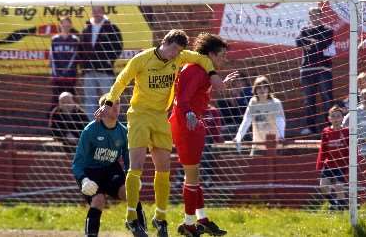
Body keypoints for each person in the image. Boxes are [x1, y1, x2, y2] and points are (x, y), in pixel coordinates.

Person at [94, 29, 237, 237]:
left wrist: (214, 76)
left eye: (179, 51)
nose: (174, 54)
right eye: (173, 49)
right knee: (137, 167)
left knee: (164, 169)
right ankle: (132, 218)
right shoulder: (142, 59)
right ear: (164, 42)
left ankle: (160, 218)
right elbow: (121, 80)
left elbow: (202, 59)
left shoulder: (180, 57)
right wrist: (108, 103)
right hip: (140, 115)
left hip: (161, 116)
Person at [169, 32, 231, 237]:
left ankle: (202, 220)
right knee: (192, 178)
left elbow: (193, 97)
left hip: (190, 124)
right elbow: (182, 98)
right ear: (211, 54)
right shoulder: (196, 70)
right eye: (221, 55)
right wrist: (188, 115)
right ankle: (188, 224)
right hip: (187, 126)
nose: (224, 59)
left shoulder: (201, 69)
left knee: (193, 177)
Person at [72, 93, 146, 237]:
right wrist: (83, 180)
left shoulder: (124, 132)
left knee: (130, 193)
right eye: (112, 104)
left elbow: (128, 160)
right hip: (90, 171)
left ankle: (141, 229)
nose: (117, 107)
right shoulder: (90, 131)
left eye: (118, 103)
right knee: (98, 200)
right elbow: (77, 163)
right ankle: (91, 234)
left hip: (111, 169)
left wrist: (134, 177)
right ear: (102, 109)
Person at [80, 6, 123, 120]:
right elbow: (80, 48)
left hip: (105, 70)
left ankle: (109, 123)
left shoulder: (111, 28)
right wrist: (83, 65)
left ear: (103, 11)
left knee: (109, 99)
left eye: (98, 10)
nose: (96, 13)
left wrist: (109, 61)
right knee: (89, 99)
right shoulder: (87, 28)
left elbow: (118, 47)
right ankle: (91, 126)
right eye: (94, 11)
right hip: (89, 70)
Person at [296, 6, 334, 135]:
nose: (314, 17)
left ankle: (331, 127)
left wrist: (308, 42)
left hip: (323, 69)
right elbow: (297, 41)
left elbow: (324, 43)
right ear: (309, 17)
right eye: (312, 15)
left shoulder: (328, 29)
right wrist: (311, 42)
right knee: (308, 100)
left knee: (327, 98)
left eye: (317, 15)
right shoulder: (304, 29)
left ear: (321, 16)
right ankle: (311, 128)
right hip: (307, 69)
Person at [234, 76, 286, 156]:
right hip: (257, 145)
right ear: (255, 90)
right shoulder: (253, 102)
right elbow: (246, 121)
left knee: (275, 167)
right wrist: (239, 137)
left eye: (265, 87)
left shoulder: (275, 103)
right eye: (259, 88)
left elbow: (280, 122)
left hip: (274, 145)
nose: (262, 90)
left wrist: (281, 137)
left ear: (269, 89)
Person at [316, 105, 349, 210]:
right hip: (329, 164)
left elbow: (350, 150)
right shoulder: (326, 131)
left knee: (339, 187)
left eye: (338, 116)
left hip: (342, 165)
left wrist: (349, 165)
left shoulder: (347, 131)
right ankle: (334, 204)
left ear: (342, 118)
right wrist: (320, 164)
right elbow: (323, 149)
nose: (336, 119)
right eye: (333, 116)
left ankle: (342, 207)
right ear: (329, 118)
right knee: (323, 186)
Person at [49, 16, 80, 105]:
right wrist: (56, 73)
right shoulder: (55, 39)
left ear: (70, 25)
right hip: (57, 76)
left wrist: (65, 72)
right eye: (64, 24)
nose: (65, 26)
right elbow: (52, 58)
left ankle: (71, 118)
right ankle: (54, 118)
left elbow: (74, 57)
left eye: (67, 25)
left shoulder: (75, 40)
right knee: (56, 99)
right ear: (60, 25)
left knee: (70, 98)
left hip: (70, 76)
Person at [342, 88, 366, 158]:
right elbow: (343, 125)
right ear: (360, 98)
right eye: (364, 97)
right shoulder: (355, 112)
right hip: (359, 148)